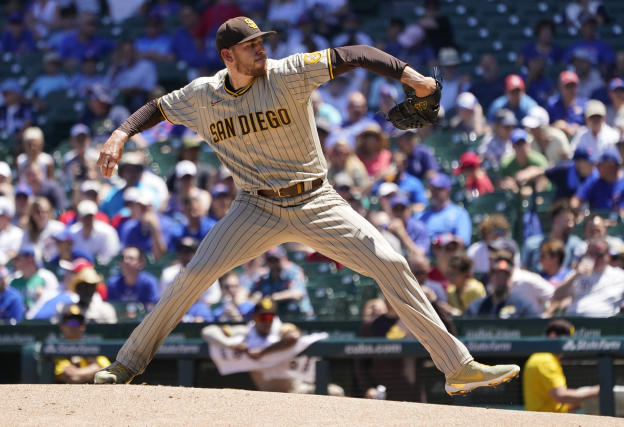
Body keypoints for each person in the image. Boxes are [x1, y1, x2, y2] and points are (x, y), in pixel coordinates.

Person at [94, 16, 519, 392]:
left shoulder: (288, 72)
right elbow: (155, 108)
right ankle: (127, 363)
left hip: (317, 200)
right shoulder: (202, 95)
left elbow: (355, 54)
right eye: (251, 45)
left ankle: (457, 367)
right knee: (193, 277)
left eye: (263, 41)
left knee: (390, 263)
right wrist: (120, 134)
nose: (262, 48)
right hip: (254, 208)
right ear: (227, 55)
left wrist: (413, 78)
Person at [203, 297, 344, 396]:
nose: (267, 322)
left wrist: (262, 352)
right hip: (267, 397)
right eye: (262, 317)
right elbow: (208, 331)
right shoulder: (245, 333)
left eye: (270, 317)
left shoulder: (281, 329)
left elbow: (293, 337)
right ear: (254, 317)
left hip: (296, 391)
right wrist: (231, 344)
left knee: (336, 392)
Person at [549, 238, 624, 317]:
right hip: (574, 324)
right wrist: (576, 276)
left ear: (607, 256)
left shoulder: (620, 276)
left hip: (603, 328)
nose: (595, 258)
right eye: (591, 254)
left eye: (599, 255)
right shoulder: (576, 274)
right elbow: (557, 296)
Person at [523, 319, 599, 412]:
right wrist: (596, 391)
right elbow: (560, 396)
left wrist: (583, 399)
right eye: (566, 339)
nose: (568, 344)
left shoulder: (540, 356)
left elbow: (557, 404)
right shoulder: (545, 360)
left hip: (545, 416)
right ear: (553, 336)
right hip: (544, 420)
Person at [574, 147, 624, 220]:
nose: (596, 166)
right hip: (594, 223)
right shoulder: (594, 180)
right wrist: (576, 214)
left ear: (611, 164)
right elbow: (576, 200)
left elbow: (622, 217)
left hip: (618, 229)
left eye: (599, 164)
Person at [53, 304, 111, 384]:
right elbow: (71, 376)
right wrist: (95, 368)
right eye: (71, 322)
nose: (74, 326)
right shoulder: (57, 348)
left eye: (78, 322)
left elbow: (108, 372)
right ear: (62, 326)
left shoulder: (91, 347)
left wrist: (78, 372)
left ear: (83, 326)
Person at [465, 256, 540, 318]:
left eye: (504, 276)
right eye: (497, 275)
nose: (501, 280)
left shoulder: (522, 306)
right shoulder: (477, 307)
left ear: (510, 278)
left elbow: (535, 326)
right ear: (491, 277)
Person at [416, 173, 472, 245]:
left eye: (438, 189)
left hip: (448, 253)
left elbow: (462, 241)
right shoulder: (421, 216)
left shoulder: (460, 214)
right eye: (432, 189)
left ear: (448, 191)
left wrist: (442, 240)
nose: (434, 193)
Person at [106, 246, 159, 311]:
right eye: (123, 258)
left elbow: (152, 308)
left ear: (141, 263)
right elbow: (111, 308)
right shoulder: (113, 283)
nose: (125, 261)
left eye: (130, 258)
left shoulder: (149, 282)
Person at [68, 200, 120, 265]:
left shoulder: (107, 232)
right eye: (85, 217)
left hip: (102, 269)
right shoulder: (72, 232)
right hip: (78, 270)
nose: (88, 220)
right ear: (79, 218)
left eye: (90, 217)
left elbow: (112, 257)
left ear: (95, 216)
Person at [547, 71, 587, 139]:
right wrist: (555, 126)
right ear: (560, 87)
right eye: (568, 86)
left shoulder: (584, 104)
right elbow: (544, 128)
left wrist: (579, 129)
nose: (571, 89)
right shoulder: (552, 104)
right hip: (557, 141)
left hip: (579, 142)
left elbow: (591, 126)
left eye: (573, 86)